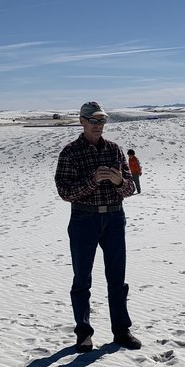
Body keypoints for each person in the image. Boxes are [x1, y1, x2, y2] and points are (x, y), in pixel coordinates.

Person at [55, 102, 141, 352]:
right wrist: (93, 181)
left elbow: (129, 189)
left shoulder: (114, 150)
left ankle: (121, 331)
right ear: (82, 121)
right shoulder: (70, 152)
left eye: (102, 120)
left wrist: (118, 180)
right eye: (93, 121)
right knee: (82, 279)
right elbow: (66, 192)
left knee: (117, 279)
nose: (98, 125)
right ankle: (83, 334)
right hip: (84, 220)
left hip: (114, 218)